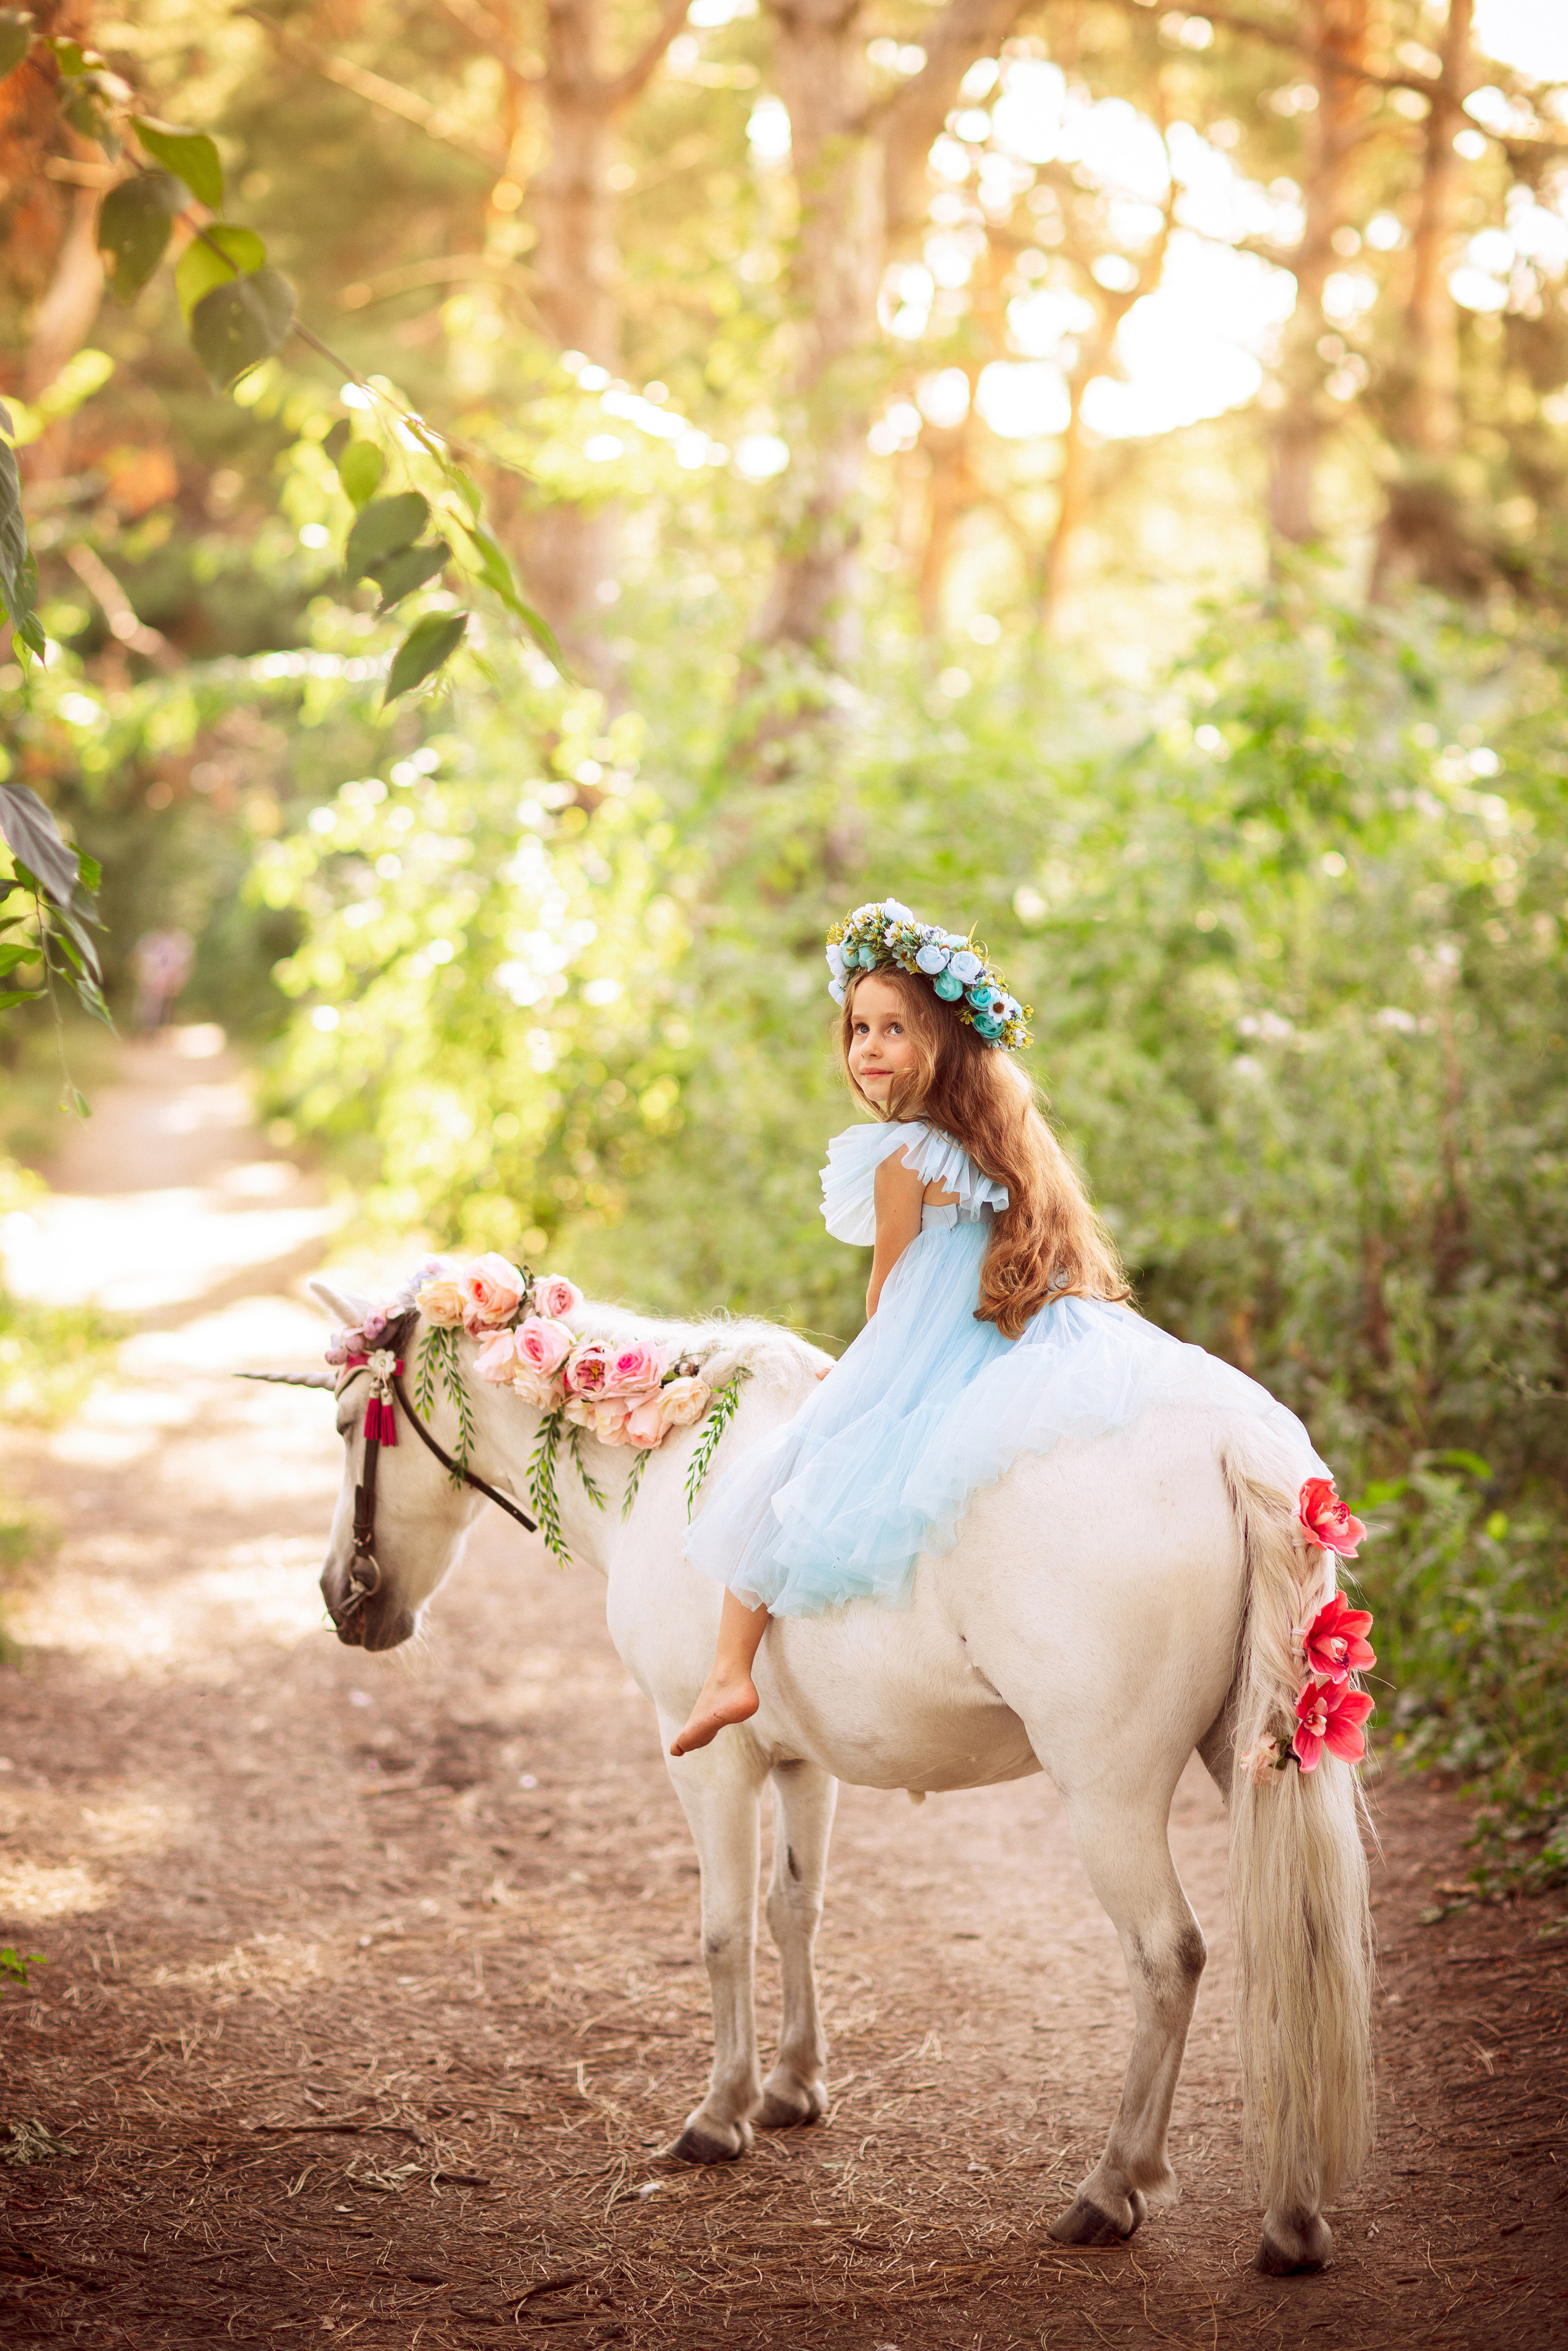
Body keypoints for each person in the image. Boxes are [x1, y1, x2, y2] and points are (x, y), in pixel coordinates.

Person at [669, 897, 1325, 1757]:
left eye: (893, 1029)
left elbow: (891, 1284)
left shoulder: (900, 1151)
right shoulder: (1001, 1135)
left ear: (940, 1040)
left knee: (778, 1474)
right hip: (1018, 1324)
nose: (869, 1047)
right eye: (859, 1028)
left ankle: (728, 1671)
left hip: (932, 1333)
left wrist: (867, 1369)